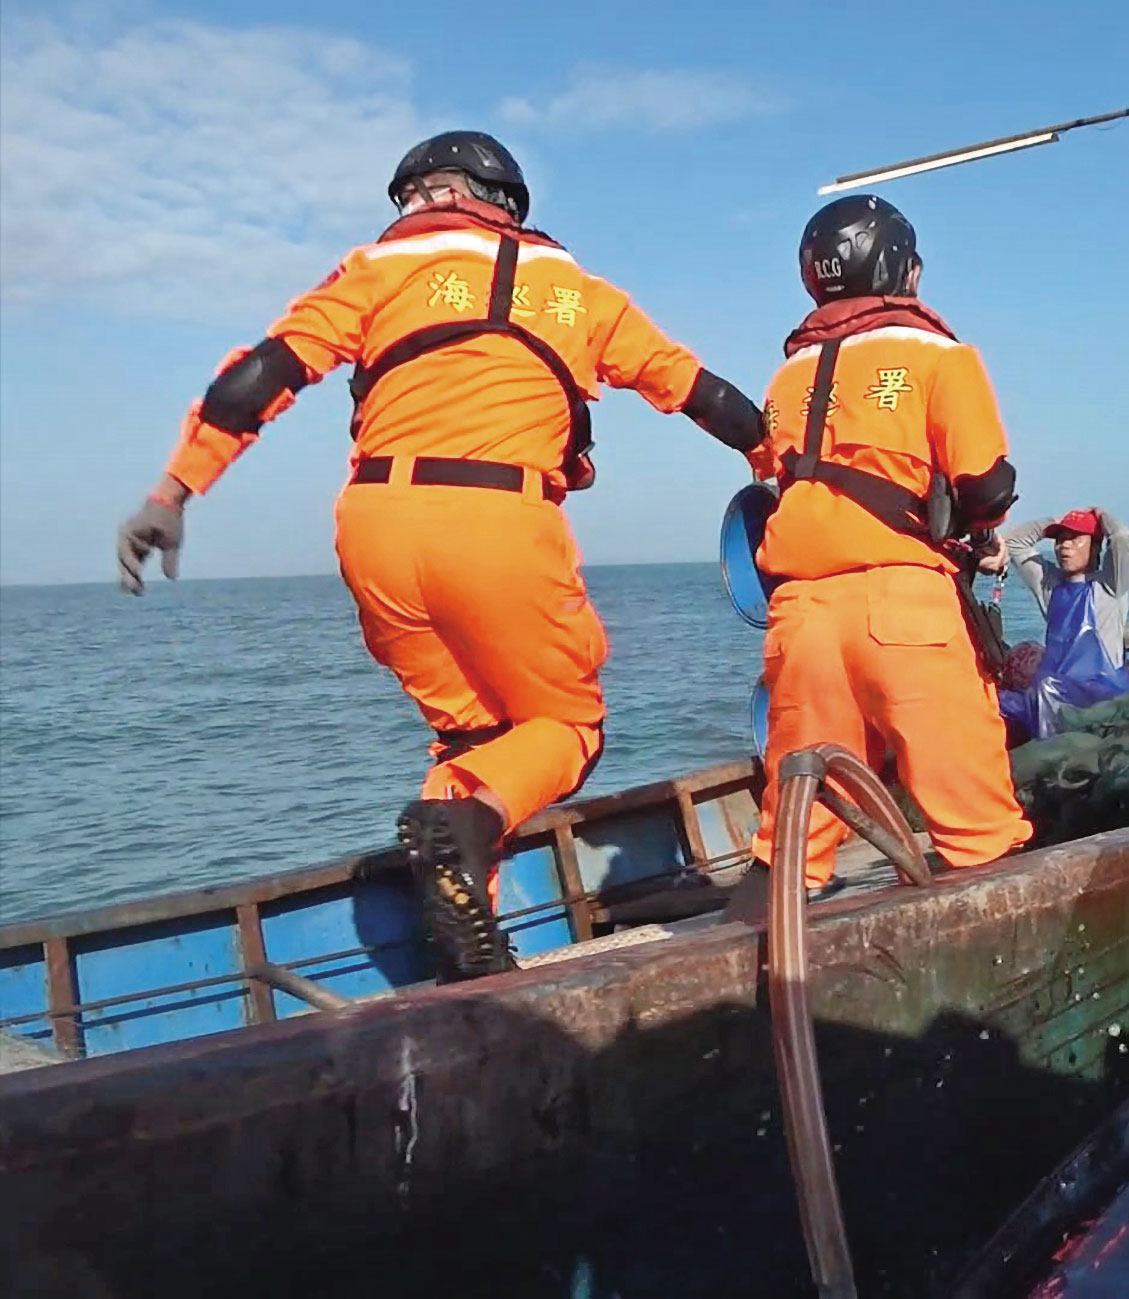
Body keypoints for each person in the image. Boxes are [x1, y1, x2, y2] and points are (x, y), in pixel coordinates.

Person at [114, 131, 766, 981]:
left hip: (374, 526)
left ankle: (469, 949)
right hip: (498, 518)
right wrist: (772, 462)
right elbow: (702, 394)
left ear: (416, 199)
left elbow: (258, 376)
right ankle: (467, 831)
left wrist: (172, 492)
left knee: (470, 734)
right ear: (507, 202)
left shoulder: (373, 273)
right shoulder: (575, 293)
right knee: (567, 728)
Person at [739, 194, 1033, 899]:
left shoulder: (788, 375)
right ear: (905, 269)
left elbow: (772, 476)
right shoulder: (941, 357)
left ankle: (757, 957)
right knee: (978, 830)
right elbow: (986, 484)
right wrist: (975, 527)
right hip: (905, 606)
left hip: (799, 617)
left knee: (792, 836)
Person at [986, 507, 1129, 740]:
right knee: (990, 699)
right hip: (1054, 691)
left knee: (1046, 687)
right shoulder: (1049, 584)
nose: (1064, 546)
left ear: (1095, 546)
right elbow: (1013, 542)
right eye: (1060, 539)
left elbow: (1121, 538)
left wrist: (1101, 515)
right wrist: (1056, 522)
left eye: (1075, 539)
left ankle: (1049, 752)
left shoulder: (1110, 585)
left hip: (1101, 690)